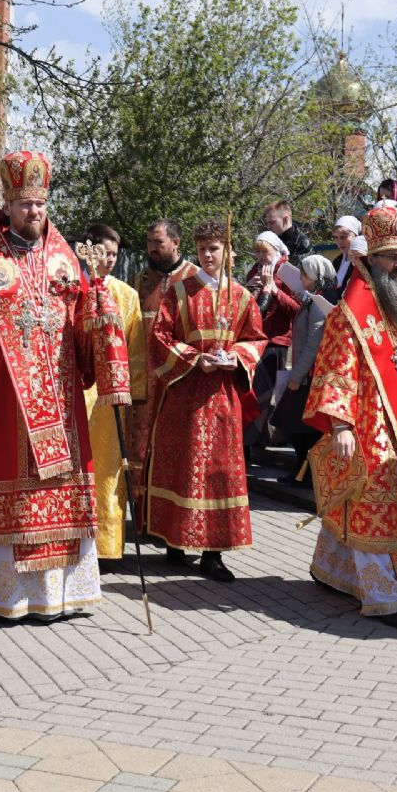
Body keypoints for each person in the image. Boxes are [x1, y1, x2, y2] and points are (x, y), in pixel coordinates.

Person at [0, 151, 130, 620]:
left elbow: (81, 329)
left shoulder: (65, 258)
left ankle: (61, 596)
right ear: (8, 203)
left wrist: (99, 318)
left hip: (62, 403)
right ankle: (10, 597)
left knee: (63, 492)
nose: (34, 213)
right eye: (24, 205)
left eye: (40, 205)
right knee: (11, 489)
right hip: (5, 402)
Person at [303, 205, 397, 628]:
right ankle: (383, 595)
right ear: (370, 259)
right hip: (367, 427)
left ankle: (332, 570)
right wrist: (340, 424)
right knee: (371, 504)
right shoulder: (348, 315)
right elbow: (336, 369)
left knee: (364, 503)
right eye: (391, 257)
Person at [145, 218, 267, 582]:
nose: (208, 255)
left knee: (220, 472)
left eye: (214, 249)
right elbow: (160, 338)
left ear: (227, 251)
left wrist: (237, 357)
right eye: (202, 250)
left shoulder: (243, 297)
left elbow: (257, 338)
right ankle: (174, 542)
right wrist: (195, 358)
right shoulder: (180, 292)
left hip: (222, 397)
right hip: (185, 393)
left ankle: (213, 553)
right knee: (182, 466)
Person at [79, 223, 145, 565]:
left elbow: (135, 351)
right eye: (103, 252)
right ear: (87, 251)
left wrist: (130, 395)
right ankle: (71, 541)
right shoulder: (72, 288)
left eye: (114, 254)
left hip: (109, 402)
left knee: (107, 472)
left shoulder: (127, 295)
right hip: (76, 393)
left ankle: (105, 545)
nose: (109, 260)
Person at [129, 219, 198, 530]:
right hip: (145, 380)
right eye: (149, 243)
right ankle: (143, 519)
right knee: (140, 448)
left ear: (176, 242)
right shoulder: (139, 280)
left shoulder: (194, 279)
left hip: (178, 380)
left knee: (177, 452)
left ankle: (172, 522)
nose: (152, 249)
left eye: (158, 242)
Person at [272, 254, 335, 485]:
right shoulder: (313, 300)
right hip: (304, 374)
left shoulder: (319, 304)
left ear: (316, 277)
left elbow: (313, 344)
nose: (301, 278)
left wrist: (296, 375)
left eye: (305, 275)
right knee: (295, 426)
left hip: (308, 377)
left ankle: (306, 474)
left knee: (297, 427)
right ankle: (303, 472)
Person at [243, 230, 302, 452]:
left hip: (277, 341)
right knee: (252, 393)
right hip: (253, 339)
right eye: (257, 251)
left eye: (264, 251)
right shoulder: (254, 270)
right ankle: (253, 442)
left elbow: (298, 310)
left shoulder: (288, 272)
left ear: (276, 250)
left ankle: (255, 443)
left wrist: (274, 290)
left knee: (265, 395)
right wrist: (251, 288)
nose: (260, 256)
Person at [263, 199, 313, 264]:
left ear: (285, 219)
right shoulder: (270, 241)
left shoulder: (303, 244)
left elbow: (297, 272)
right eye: (267, 223)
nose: (268, 227)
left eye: (272, 222)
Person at [328, 215, 362, 302]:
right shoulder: (337, 262)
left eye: (343, 237)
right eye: (336, 237)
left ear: (356, 236)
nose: (339, 242)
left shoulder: (361, 262)